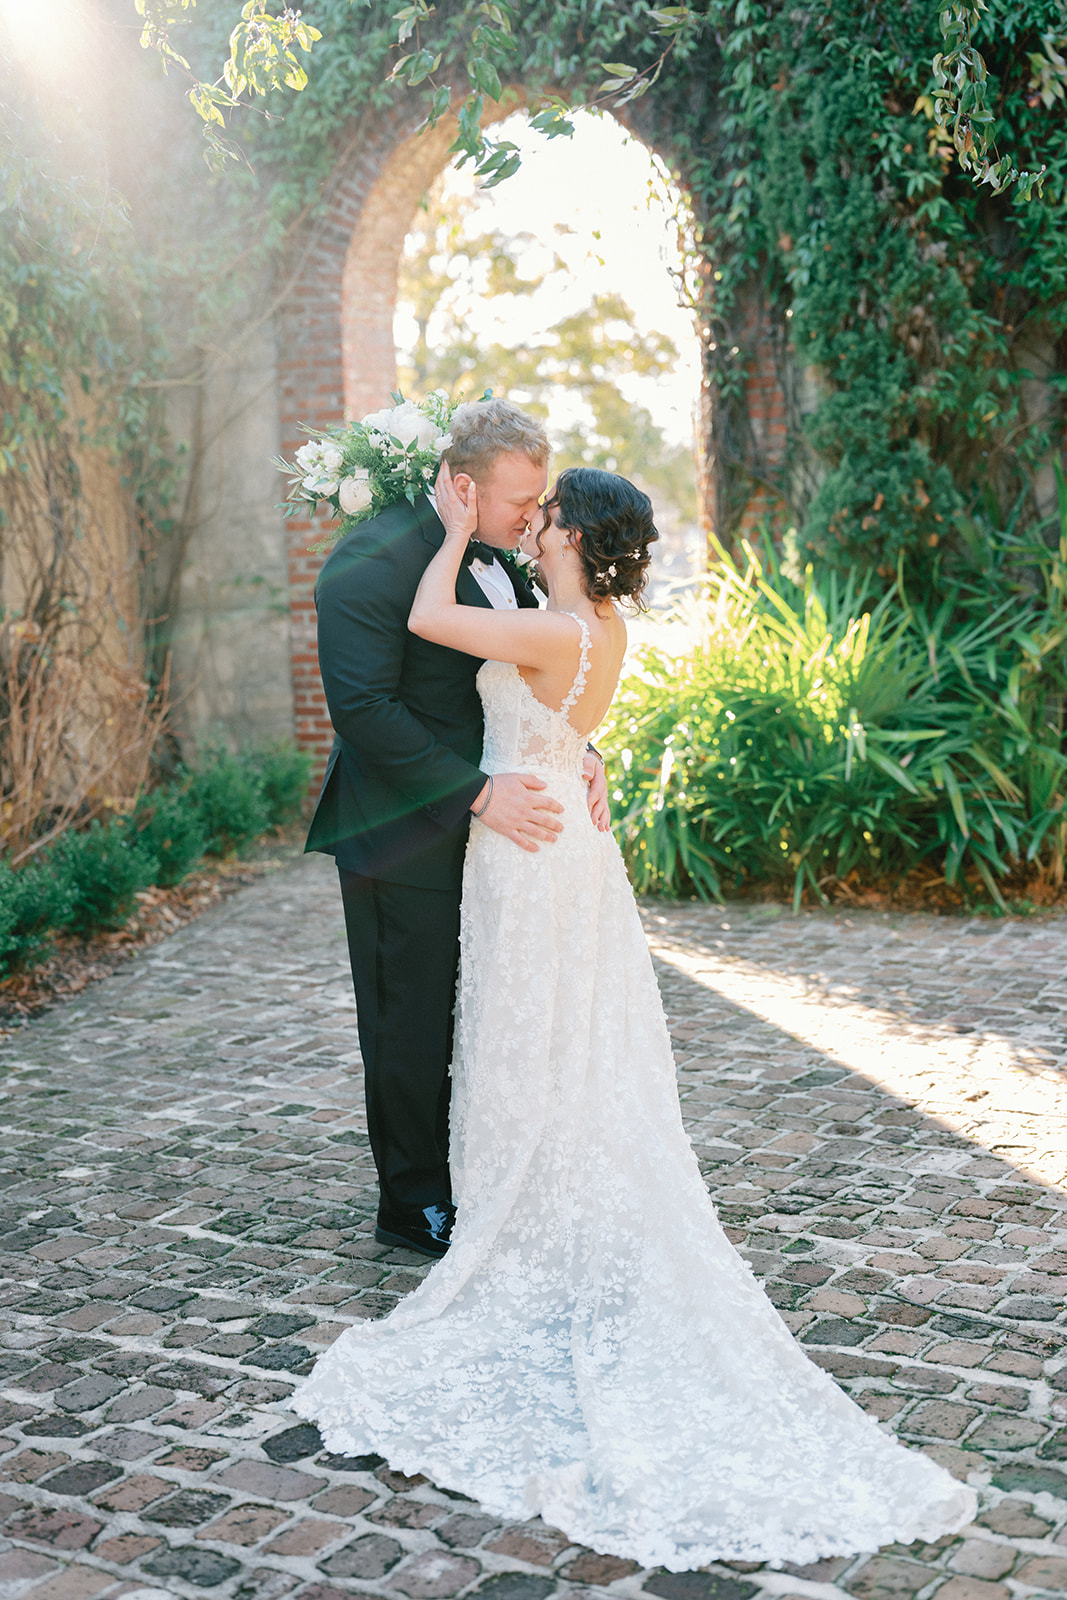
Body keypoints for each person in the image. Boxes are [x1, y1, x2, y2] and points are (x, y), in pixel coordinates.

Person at [293, 463, 977, 1569]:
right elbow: (561, 719)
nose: (533, 519)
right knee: (560, 1035)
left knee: (523, 1031)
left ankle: (519, 1201)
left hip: (527, 857)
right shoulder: (586, 623)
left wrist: (454, 524)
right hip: (566, 846)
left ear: (566, 531)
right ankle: (531, 1178)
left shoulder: (554, 629)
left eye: (543, 510)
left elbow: (426, 618)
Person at [307, 399, 608, 1259]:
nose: (535, 518)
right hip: (401, 835)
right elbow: (362, 708)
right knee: (409, 1022)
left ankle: (477, 1172)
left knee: (475, 1013)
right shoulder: (368, 561)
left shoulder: (493, 557)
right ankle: (412, 1203)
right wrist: (478, 795)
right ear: (464, 486)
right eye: (523, 501)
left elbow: (530, 676)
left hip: (492, 839)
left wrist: (577, 751)